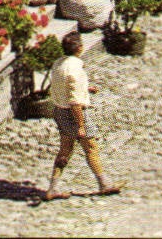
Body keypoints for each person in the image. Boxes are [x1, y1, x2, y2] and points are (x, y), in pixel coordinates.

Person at [44, 31, 122, 200]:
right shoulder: (76, 69)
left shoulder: (58, 64)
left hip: (59, 111)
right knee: (91, 148)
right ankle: (104, 184)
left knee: (65, 149)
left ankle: (52, 187)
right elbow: (75, 102)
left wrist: (85, 89)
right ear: (79, 48)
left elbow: (63, 87)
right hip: (74, 113)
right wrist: (80, 125)